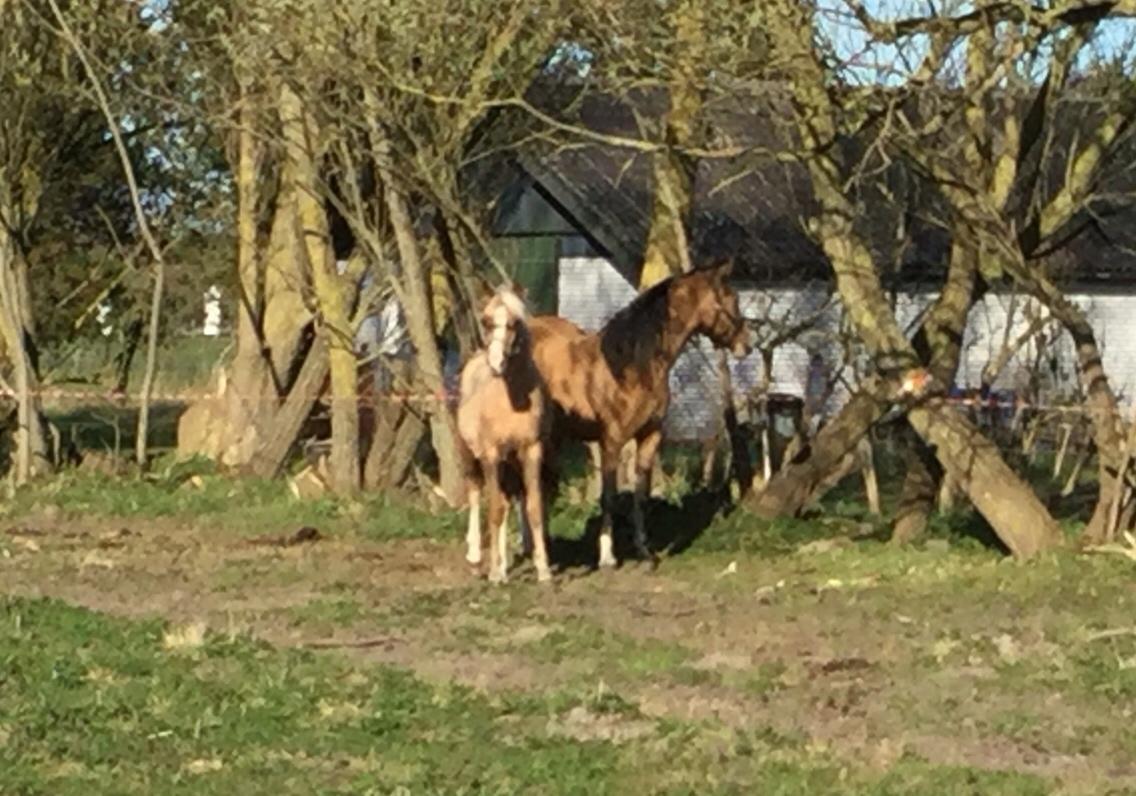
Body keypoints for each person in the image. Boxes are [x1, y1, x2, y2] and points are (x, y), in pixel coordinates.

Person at [803, 351, 830, 435]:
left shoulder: (811, 371)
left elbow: (807, 384)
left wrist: (806, 395)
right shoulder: (825, 371)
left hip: (813, 396)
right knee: (817, 414)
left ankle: (812, 429)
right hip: (820, 397)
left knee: (807, 414)